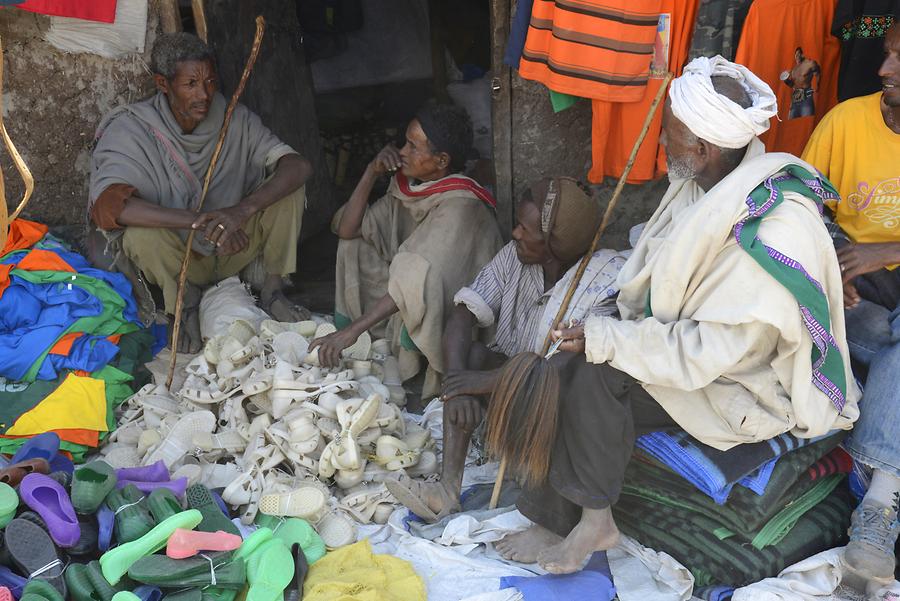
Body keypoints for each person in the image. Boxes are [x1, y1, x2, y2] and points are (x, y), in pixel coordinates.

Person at [491, 56, 860, 575]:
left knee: (593, 376)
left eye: (669, 137)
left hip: (740, 383)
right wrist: (609, 323)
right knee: (558, 368)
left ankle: (596, 522)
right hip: (691, 350)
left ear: (704, 148)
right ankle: (551, 518)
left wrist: (607, 339)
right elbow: (662, 266)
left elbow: (706, 353)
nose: (662, 146)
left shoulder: (772, 235)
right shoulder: (705, 184)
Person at [384, 177, 628, 520]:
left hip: (552, 401)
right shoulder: (514, 256)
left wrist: (480, 383)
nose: (515, 233)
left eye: (526, 230)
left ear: (555, 246)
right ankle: (447, 490)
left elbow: (558, 370)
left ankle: (535, 486)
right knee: (472, 356)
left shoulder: (604, 282)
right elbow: (462, 314)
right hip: (506, 388)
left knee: (532, 378)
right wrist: (459, 383)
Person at [89, 32, 312, 353]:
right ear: (163, 85)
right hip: (180, 258)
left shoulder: (232, 118)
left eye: (209, 82)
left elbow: (298, 166)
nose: (204, 94)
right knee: (140, 235)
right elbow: (109, 207)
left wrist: (241, 211)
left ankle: (273, 290)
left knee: (287, 188)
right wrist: (197, 221)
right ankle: (184, 304)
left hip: (235, 245)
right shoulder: (133, 129)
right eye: (190, 84)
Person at [310, 103, 503, 399]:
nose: (401, 151)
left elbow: (418, 278)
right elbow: (348, 230)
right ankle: (371, 336)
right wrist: (370, 173)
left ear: (441, 160)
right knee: (354, 246)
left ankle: (407, 361)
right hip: (408, 285)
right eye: (405, 142)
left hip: (446, 306)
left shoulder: (463, 205)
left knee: (413, 278)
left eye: (413, 147)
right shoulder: (411, 187)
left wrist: (351, 332)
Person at [801, 22, 900, 592]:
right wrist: (830, 264)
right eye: (887, 57)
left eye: (898, 63)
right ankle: (879, 514)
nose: (883, 72)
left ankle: (878, 499)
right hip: (856, 296)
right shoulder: (845, 122)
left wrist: (889, 247)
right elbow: (800, 207)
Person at [782, 46, 821, 119]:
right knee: (792, 123)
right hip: (795, 98)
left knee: (807, 121)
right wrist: (786, 80)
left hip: (806, 97)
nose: (797, 56)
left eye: (799, 54)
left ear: (802, 54)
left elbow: (818, 73)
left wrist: (818, 86)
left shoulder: (810, 63)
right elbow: (793, 85)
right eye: (796, 55)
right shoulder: (794, 69)